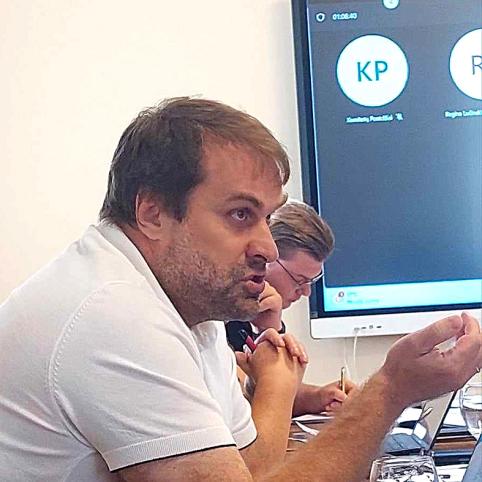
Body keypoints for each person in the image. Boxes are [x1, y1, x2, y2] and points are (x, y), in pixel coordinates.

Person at [0, 96, 480, 482]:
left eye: (267, 218)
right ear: (152, 212)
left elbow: (255, 468)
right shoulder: (112, 313)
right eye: (240, 215)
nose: (268, 247)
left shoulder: (191, 307)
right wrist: (390, 390)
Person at [227, 200, 356, 415]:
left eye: (312, 281)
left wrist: (317, 397)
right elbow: (238, 407)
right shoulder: (217, 313)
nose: (306, 292)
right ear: (266, 258)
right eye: (299, 280)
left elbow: (267, 394)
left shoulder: (260, 315)